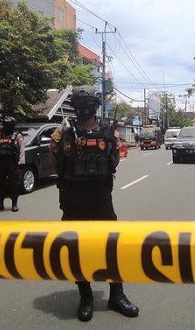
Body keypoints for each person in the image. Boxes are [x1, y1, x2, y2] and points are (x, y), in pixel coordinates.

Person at [49, 85, 139, 322]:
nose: (85, 109)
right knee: (78, 249)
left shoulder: (109, 132)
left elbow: (113, 160)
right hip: (73, 197)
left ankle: (116, 295)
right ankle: (86, 296)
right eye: (82, 105)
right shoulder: (64, 131)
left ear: (95, 107)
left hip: (100, 198)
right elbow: (55, 159)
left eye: (87, 105)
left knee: (111, 247)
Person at [0, 116, 25, 212]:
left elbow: (22, 149)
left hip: (12, 163)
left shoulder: (17, 136)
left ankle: (14, 204)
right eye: (5, 125)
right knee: (0, 184)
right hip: (1, 162)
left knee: (13, 184)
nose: (7, 127)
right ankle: (0, 204)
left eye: (9, 125)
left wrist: (21, 162)